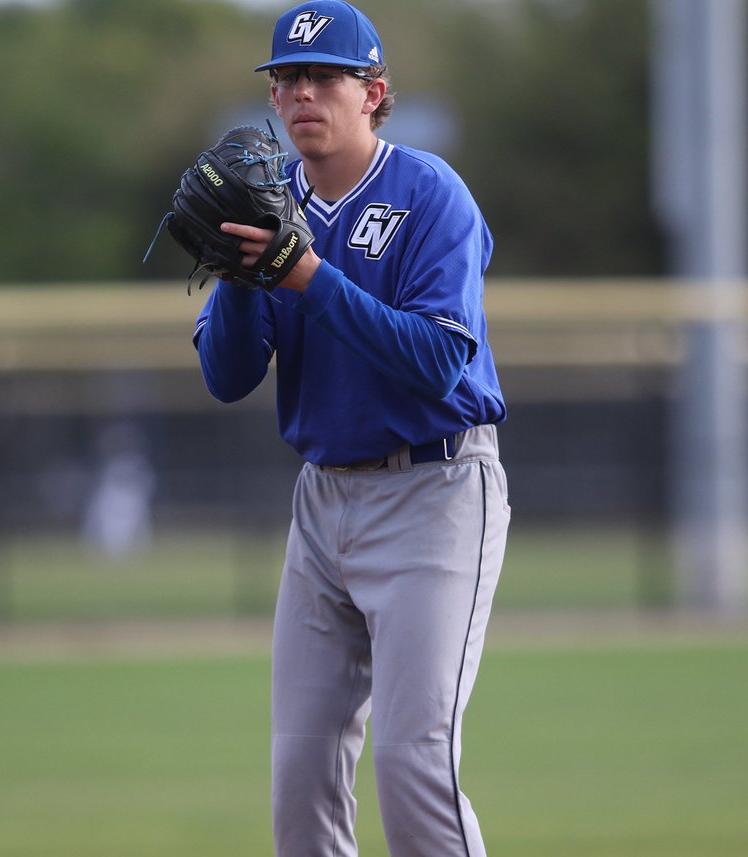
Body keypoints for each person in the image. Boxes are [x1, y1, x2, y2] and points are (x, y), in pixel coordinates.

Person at [192, 2, 510, 855]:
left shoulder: (429, 194)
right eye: (288, 78)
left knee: (413, 764)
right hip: (323, 504)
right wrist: (239, 275)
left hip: (435, 490)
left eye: (325, 77)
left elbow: (436, 360)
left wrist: (304, 275)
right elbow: (227, 377)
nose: (303, 93)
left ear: (372, 92)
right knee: (300, 782)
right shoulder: (270, 206)